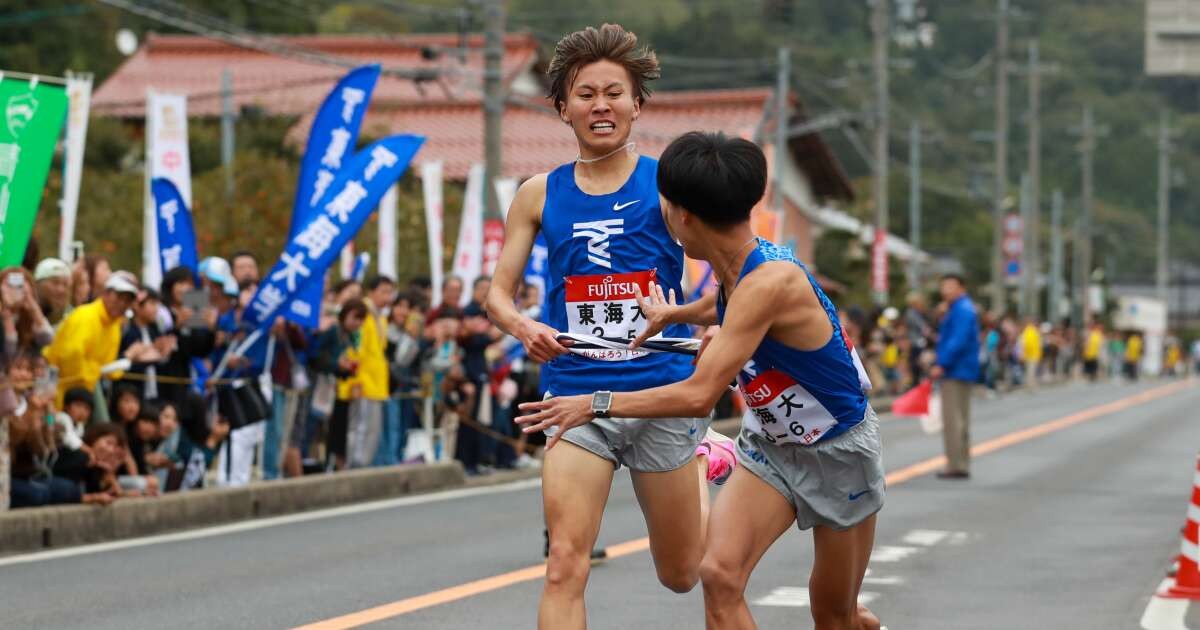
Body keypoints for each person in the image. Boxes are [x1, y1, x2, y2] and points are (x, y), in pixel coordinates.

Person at [516, 132, 882, 630]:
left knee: (833, 612)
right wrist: (678, 313)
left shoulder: (769, 282)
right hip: (771, 447)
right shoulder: (737, 264)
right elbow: (726, 301)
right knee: (717, 575)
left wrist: (593, 404)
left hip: (837, 451)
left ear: (684, 217)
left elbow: (698, 394)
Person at [487, 26, 739, 628]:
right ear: (562, 107)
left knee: (682, 573)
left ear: (636, 104)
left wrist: (692, 319)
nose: (600, 106)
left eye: (613, 93)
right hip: (573, 394)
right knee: (564, 564)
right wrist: (523, 326)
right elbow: (496, 294)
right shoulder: (536, 194)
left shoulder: (667, 187)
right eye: (585, 95)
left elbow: (737, 279)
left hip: (661, 393)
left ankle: (704, 459)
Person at [44, 272, 140, 406]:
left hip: (85, 392)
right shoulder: (86, 316)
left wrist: (127, 361)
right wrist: (96, 371)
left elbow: (106, 364)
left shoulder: (114, 325)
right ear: (106, 293)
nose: (122, 303)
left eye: (127, 300)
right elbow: (70, 360)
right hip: (59, 391)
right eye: (119, 297)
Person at [931, 274, 980, 479]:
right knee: (961, 418)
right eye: (943, 287)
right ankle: (961, 462)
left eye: (950, 287)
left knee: (953, 420)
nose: (945, 291)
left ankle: (955, 464)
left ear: (962, 288)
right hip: (964, 369)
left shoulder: (961, 310)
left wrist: (942, 364)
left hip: (955, 369)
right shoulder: (962, 308)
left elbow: (957, 340)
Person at [34, 257, 73, 328]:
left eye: (65, 284)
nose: (61, 290)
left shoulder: (72, 321)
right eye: (55, 282)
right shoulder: (25, 319)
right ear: (37, 284)